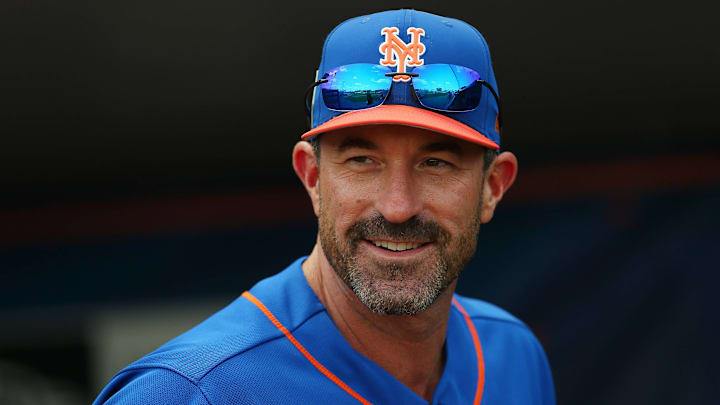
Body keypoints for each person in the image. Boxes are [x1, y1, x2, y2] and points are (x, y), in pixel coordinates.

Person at [94, 9, 555, 404]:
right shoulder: (189, 391)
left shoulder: (511, 354)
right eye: (362, 161)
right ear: (313, 178)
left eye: (435, 163)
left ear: (493, 187)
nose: (398, 207)